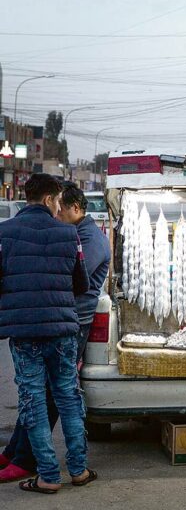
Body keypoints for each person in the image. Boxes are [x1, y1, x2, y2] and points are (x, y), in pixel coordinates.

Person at [0, 183, 111, 483]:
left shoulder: (5, 231)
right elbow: (81, 283)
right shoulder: (69, 235)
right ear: (49, 199)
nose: (59, 208)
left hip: (25, 330)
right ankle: (78, 470)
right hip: (63, 328)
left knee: (34, 399)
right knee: (67, 397)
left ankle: (47, 475)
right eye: (58, 201)